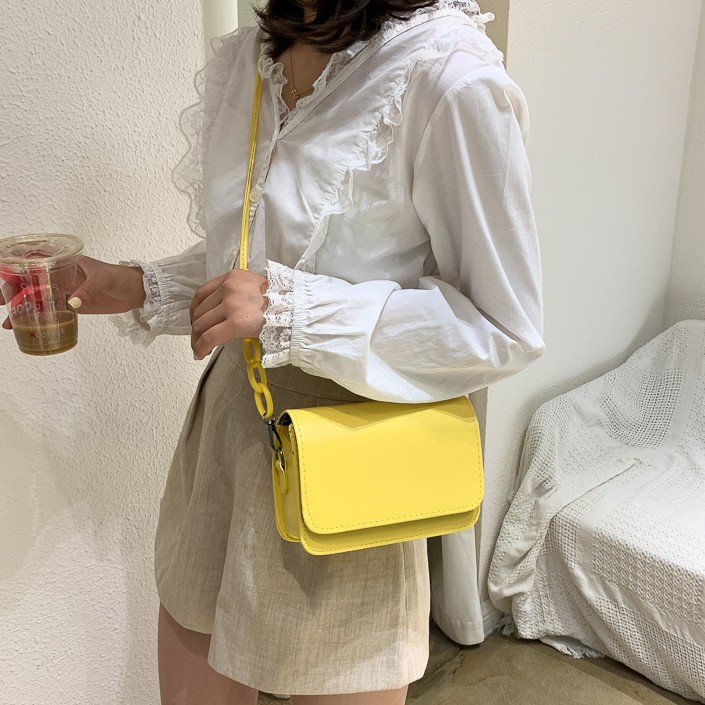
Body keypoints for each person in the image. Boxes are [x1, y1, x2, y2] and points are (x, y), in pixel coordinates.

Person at [3, 0, 545, 702]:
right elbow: (255, 266)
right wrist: (132, 284)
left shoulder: (448, 78)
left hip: (353, 453)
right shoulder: (250, 59)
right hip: (230, 429)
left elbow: (501, 327)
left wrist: (292, 310)